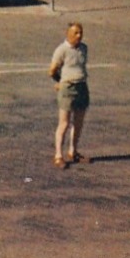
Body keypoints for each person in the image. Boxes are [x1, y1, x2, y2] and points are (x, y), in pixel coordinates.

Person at [49, 21, 90, 168]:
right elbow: (52, 70)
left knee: (78, 122)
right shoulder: (61, 50)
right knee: (64, 123)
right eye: (76, 33)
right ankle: (58, 155)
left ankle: (73, 151)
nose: (79, 36)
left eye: (81, 33)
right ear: (68, 34)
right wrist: (60, 81)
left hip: (82, 87)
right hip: (68, 88)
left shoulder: (84, 48)